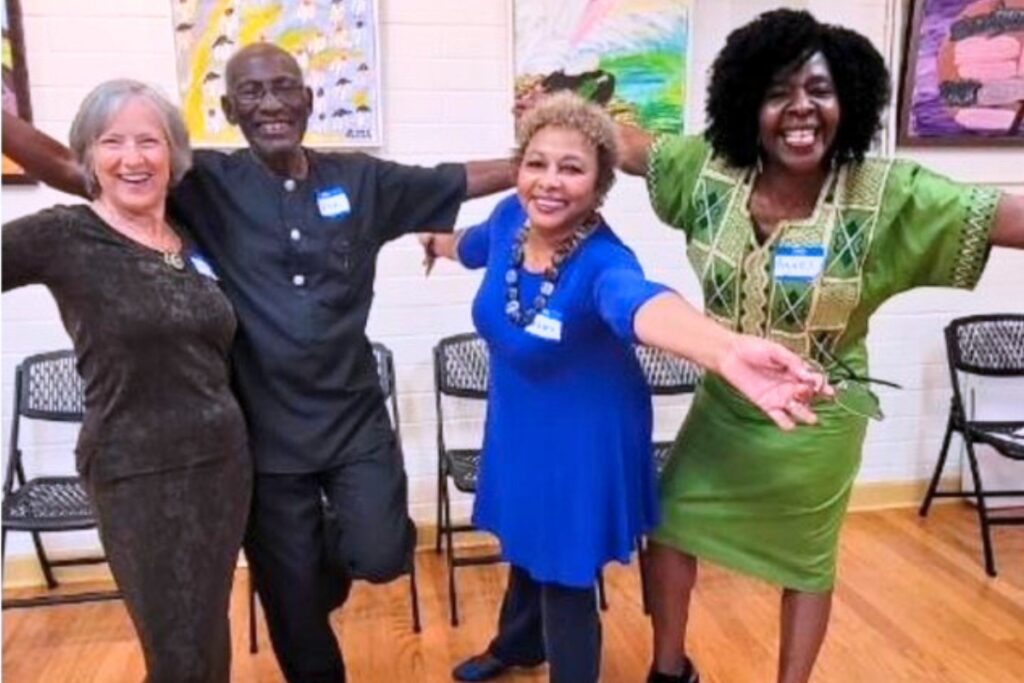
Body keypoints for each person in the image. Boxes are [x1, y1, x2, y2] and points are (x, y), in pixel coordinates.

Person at [2, 43, 516, 683]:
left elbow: (457, 177)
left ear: (308, 99)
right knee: (294, 615)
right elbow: (81, 166)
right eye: (250, 92)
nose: (269, 104)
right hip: (261, 437)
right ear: (228, 109)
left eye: (283, 88)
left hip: (352, 418)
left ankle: (317, 555)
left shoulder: (362, 180)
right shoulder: (204, 183)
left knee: (383, 554)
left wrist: (540, 165)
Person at [610, 10, 1024, 683]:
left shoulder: (889, 195)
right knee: (671, 529)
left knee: (805, 560)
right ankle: (668, 669)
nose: (800, 107)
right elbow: (629, 147)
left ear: (849, 103)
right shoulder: (708, 173)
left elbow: (1002, 215)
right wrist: (564, 122)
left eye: (820, 90)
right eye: (779, 91)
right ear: (749, 103)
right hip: (726, 404)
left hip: (820, 407)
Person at [420, 92, 827, 683]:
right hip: (521, 421)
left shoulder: (605, 262)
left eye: (572, 168)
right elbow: (470, 246)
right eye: (537, 163)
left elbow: (638, 303)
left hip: (587, 434)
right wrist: (434, 240)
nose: (549, 182)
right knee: (531, 538)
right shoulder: (512, 217)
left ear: (601, 182)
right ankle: (517, 643)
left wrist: (724, 348)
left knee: (563, 569)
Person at [2, 80, 250, 683]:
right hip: (137, 473)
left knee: (208, 633)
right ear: (87, 156)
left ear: (174, 155)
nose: (133, 158)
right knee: (178, 653)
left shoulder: (187, 240)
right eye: (112, 142)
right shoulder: (65, 234)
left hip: (221, 469)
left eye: (149, 141)